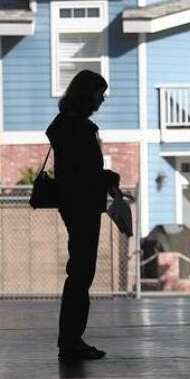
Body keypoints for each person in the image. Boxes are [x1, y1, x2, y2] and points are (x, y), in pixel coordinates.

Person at [46, 70, 122, 361]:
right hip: (84, 206)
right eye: (99, 93)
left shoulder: (62, 126)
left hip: (72, 203)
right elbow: (84, 173)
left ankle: (71, 339)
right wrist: (108, 177)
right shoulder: (81, 129)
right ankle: (71, 340)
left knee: (78, 272)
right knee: (81, 273)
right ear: (87, 94)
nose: (102, 100)